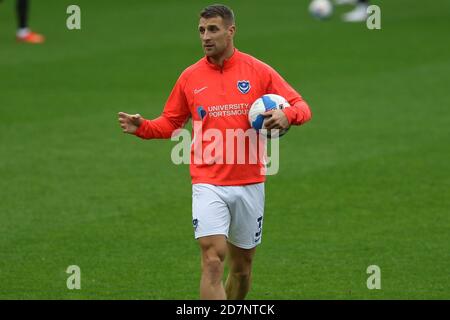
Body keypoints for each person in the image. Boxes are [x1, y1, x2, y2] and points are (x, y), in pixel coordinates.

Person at [118, 4, 312, 300]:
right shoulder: (190, 77)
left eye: (212, 29)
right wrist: (143, 127)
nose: (205, 37)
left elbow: (301, 106)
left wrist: (288, 116)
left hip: (249, 182)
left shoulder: (258, 71)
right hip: (208, 182)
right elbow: (171, 123)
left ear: (230, 31)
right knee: (211, 260)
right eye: (201, 31)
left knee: (242, 269)